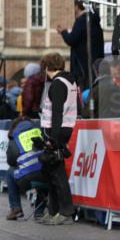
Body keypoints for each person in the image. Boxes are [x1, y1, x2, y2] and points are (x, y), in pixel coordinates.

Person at [37, 52, 78, 225]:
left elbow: (57, 114)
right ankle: (53, 210)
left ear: (47, 67)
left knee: (57, 174)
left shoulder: (57, 84)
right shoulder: (70, 81)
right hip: (64, 129)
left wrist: (52, 139)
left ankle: (65, 211)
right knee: (50, 172)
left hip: (56, 132)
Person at [4, 117, 46, 220]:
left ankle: (16, 208)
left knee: (10, 172)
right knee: (41, 170)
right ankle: (39, 212)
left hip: (26, 179)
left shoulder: (16, 137)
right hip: (45, 177)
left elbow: (11, 160)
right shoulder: (39, 131)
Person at [58, 0, 104, 88]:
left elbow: (71, 39)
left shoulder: (82, 21)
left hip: (82, 65)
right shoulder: (95, 22)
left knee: (83, 91)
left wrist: (63, 32)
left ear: (77, 7)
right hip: (94, 63)